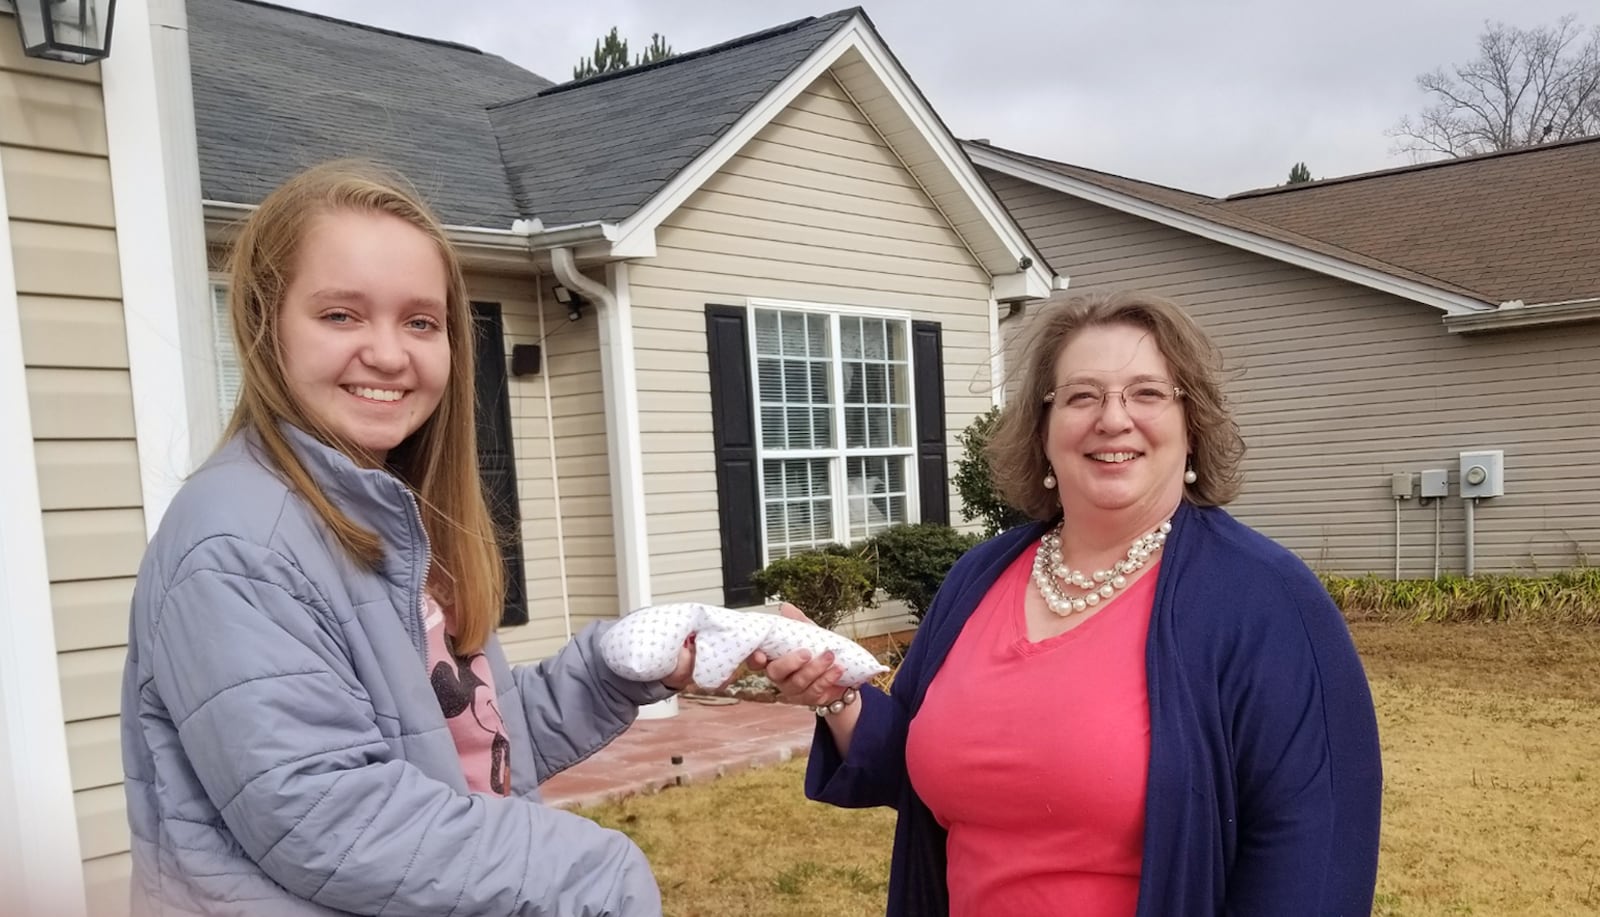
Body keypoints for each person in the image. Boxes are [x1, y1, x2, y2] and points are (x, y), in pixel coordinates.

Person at [121, 161, 696, 916]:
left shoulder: (389, 514)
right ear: (264, 324)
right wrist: (594, 871)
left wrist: (611, 670)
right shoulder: (239, 545)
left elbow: (463, 737)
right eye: (341, 315)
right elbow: (329, 816)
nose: (390, 354)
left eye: (421, 322)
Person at [755, 290, 1383, 916]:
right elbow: (917, 769)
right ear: (1044, 430)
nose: (1113, 419)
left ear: (1191, 426)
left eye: (1147, 393)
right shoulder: (980, 578)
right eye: (1082, 396)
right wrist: (836, 695)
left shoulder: (1266, 599)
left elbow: (1315, 856)